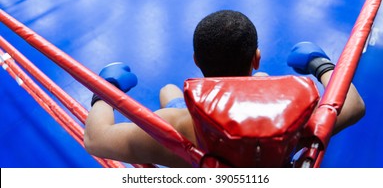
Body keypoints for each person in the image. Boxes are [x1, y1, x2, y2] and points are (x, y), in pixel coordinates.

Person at [84, 10, 365, 167]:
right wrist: (321, 65)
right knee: (265, 78)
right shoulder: (294, 113)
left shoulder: (175, 125)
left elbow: (97, 139)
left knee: (169, 92)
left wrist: (105, 92)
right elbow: (352, 105)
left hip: (196, 138)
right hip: (271, 154)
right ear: (256, 58)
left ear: (197, 61)